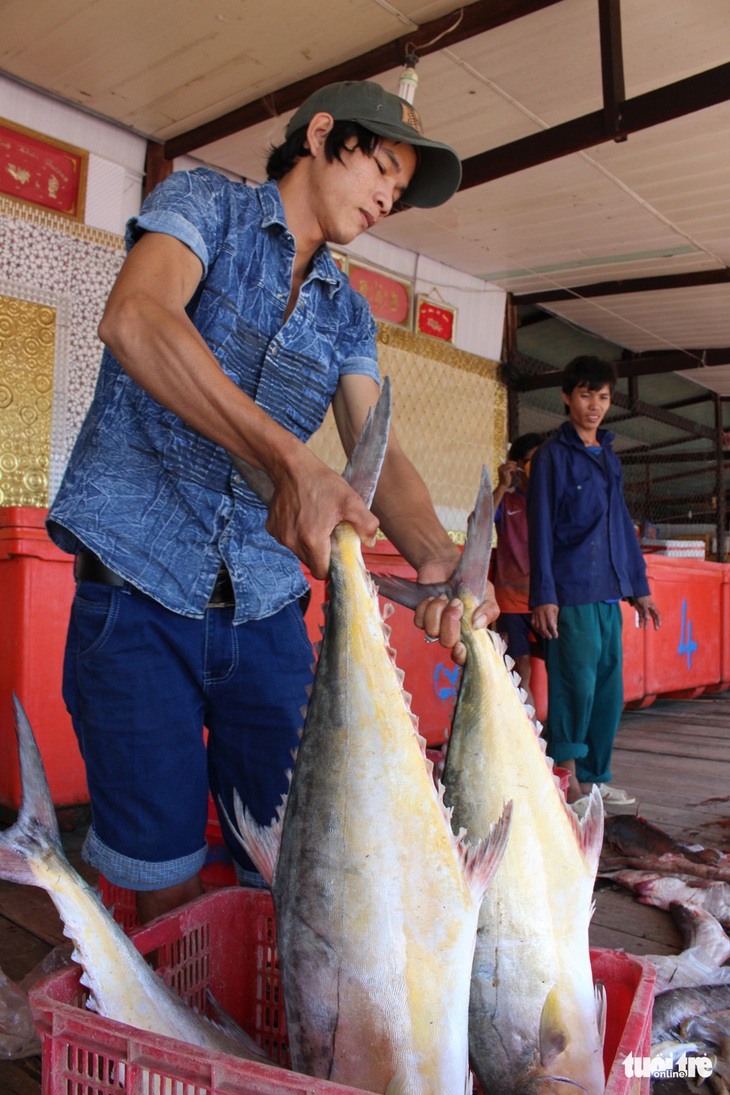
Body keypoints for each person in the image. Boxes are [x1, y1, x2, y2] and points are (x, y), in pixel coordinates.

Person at [46, 79, 498, 923]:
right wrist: (290, 461)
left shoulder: (349, 315)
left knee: (305, 869)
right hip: (138, 595)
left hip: (266, 615)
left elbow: (379, 450)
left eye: (398, 191)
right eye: (384, 169)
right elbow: (138, 317)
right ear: (322, 135)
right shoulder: (205, 205)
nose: (387, 198)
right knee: (161, 879)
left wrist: (438, 553)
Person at [527, 356, 661, 810]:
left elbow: (621, 525)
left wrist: (638, 587)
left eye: (602, 397)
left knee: (608, 690)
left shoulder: (609, 458)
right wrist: (544, 595)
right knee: (575, 686)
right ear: (567, 397)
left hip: (607, 593)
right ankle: (569, 782)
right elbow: (540, 530)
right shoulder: (549, 458)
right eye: (586, 395)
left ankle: (596, 780)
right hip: (570, 593)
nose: (594, 406)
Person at [491, 432, 543, 708]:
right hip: (511, 602)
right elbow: (480, 518)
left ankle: (556, 739)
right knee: (519, 665)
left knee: (561, 667)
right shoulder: (508, 502)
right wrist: (502, 485)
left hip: (548, 601)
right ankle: (530, 734)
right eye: (532, 462)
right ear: (517, 466)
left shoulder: (554, 502)